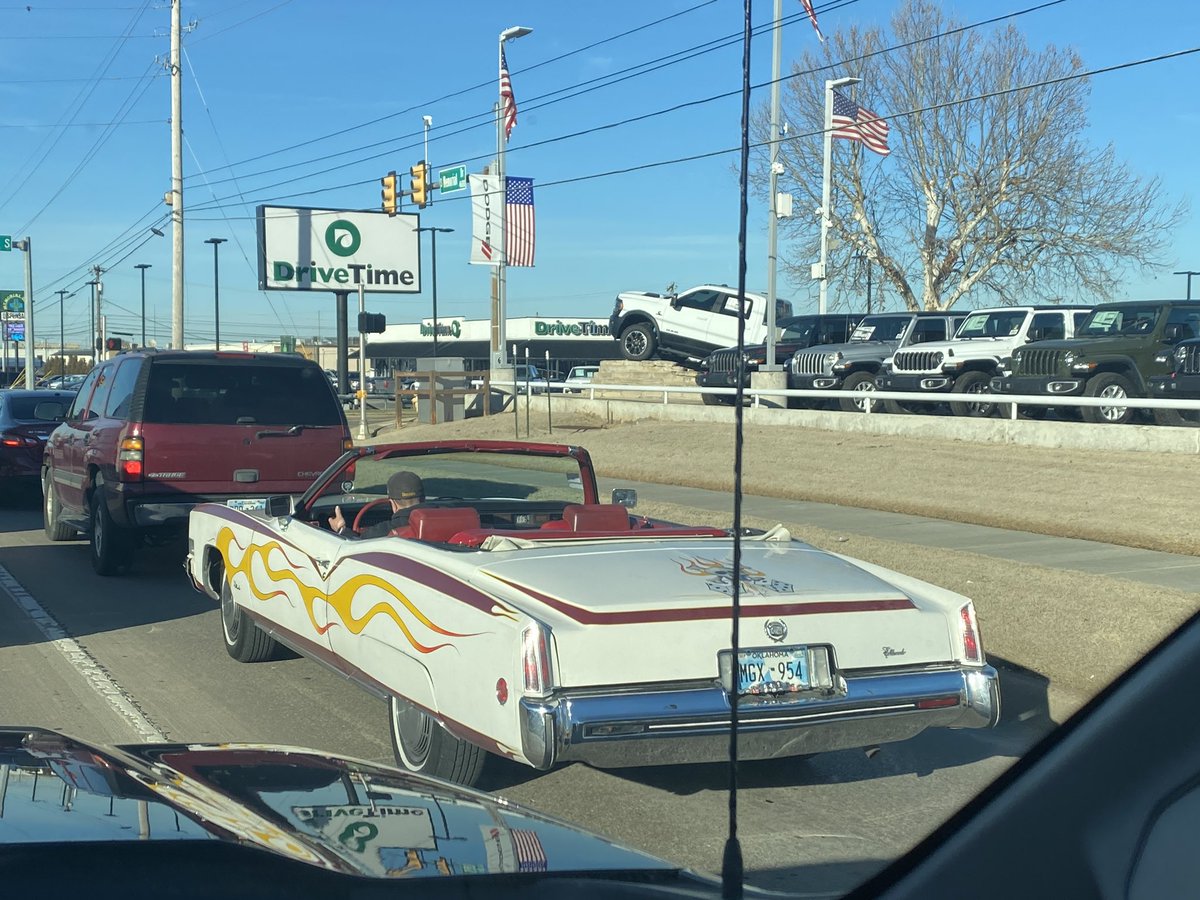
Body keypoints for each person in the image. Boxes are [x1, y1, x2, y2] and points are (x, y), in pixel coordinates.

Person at [328, 470, 425, 538]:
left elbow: (358, 545)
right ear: (423, 499)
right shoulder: (438, 519)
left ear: (393, 504)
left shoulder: (383, 531)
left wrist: (341, 529)